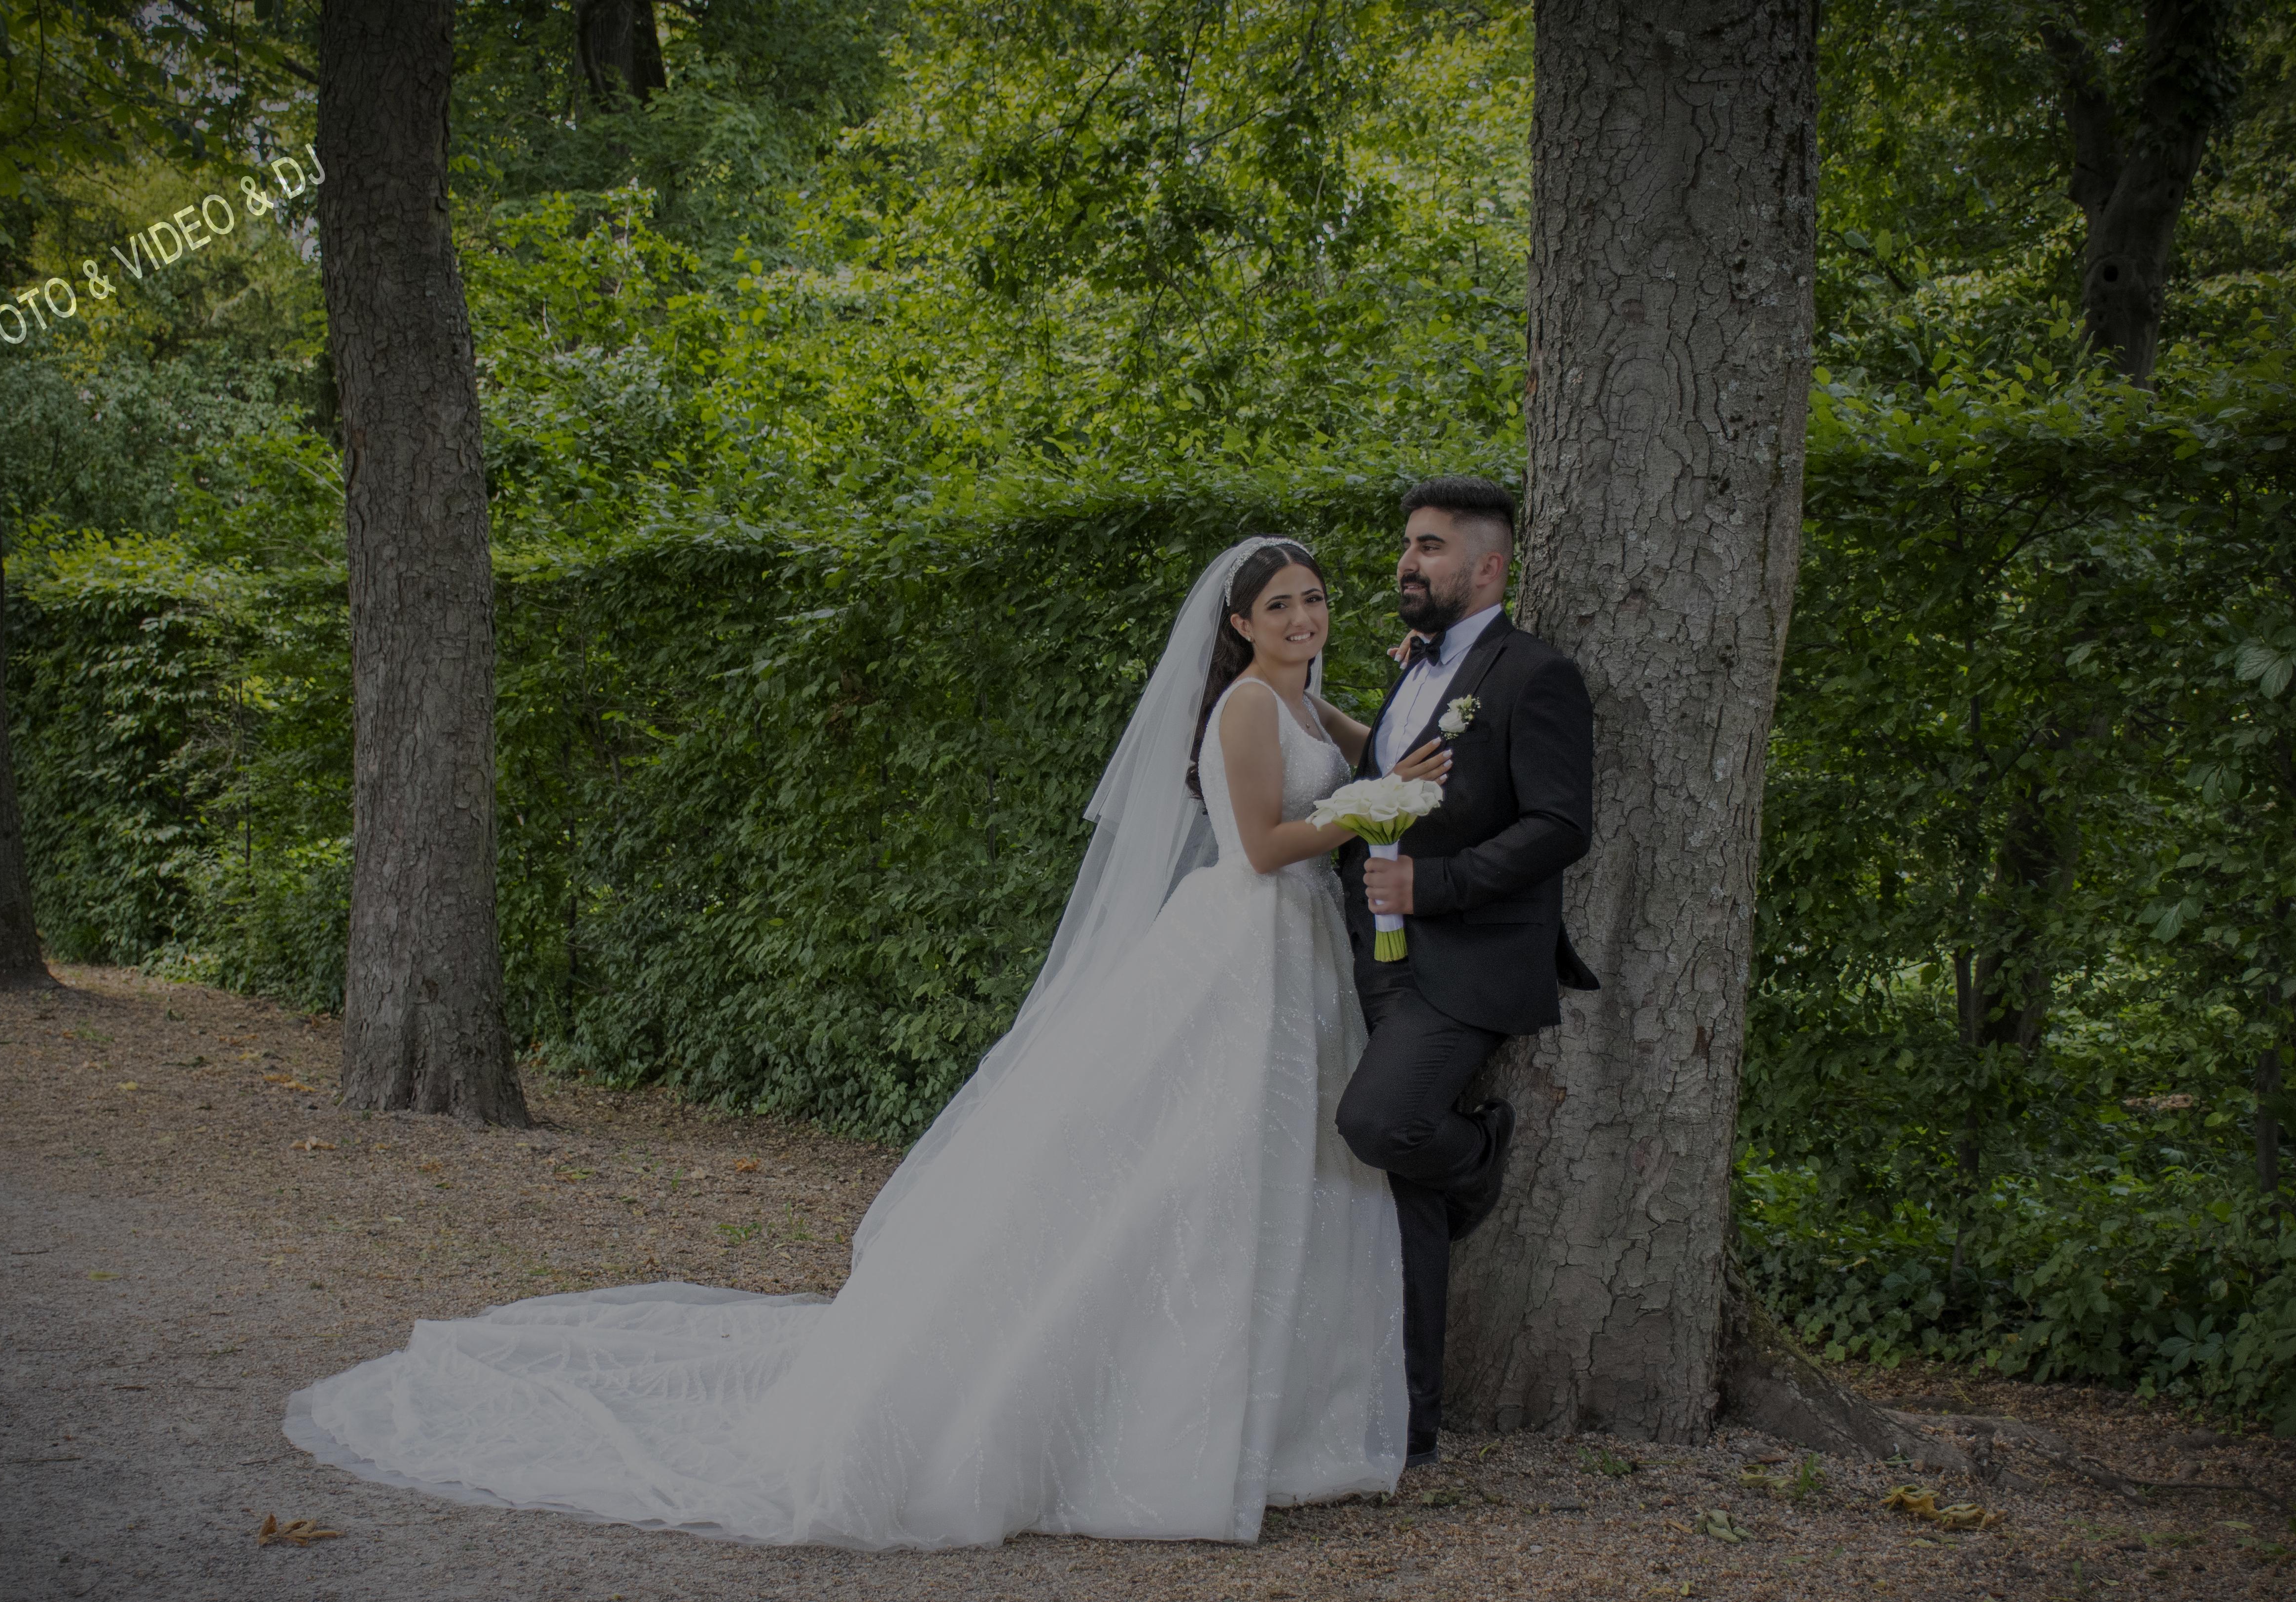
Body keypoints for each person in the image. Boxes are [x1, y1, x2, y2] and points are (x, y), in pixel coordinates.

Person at [286, 537, 1450, 1549]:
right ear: (1241, 623)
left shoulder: (1308, 700)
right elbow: (1259, 844)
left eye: (1314, 598)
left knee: (1261, 1173)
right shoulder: (1250, 704)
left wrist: (1397, 746)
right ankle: (1155, 1416)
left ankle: (1280, 1417)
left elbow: (1377, 747)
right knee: (1189, 1167)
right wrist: (1371, 810)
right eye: (1283, 605)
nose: (1306, 617)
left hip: (1296, 967)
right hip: (1239, 953)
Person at [1335, 477, 1599, 1468]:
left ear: (1488, 567)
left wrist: (1432, 883)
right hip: (1378, 953)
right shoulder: (1415, 668)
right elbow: (1394, 774)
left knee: (1382, 1123)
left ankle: (1479, 1151)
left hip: (1468, 954)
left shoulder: (1535, 674)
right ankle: (1410, 1427)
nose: (1409, 561)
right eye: (1408, 543)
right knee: (1404, 1191)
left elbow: (1561, 824)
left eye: (1431, 546)